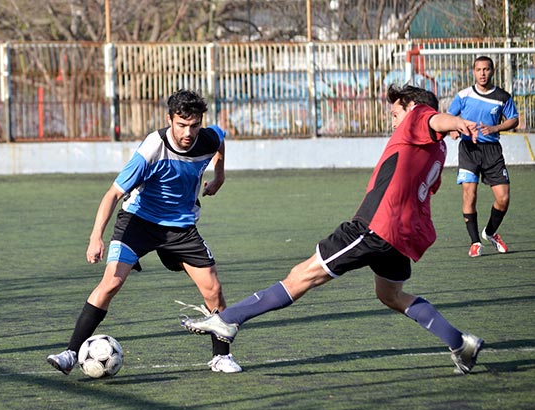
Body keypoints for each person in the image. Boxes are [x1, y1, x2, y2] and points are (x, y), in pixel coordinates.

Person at [181, 85, 484, 375]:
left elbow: (433, 118)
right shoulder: (438, 148)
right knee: (391, 295)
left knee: (302, 276)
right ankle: (461, 343)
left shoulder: (418, 119)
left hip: (375, 227)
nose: (393, 120)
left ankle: (229, 320)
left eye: (395, 113)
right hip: (400, 238)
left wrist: (457, 120)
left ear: (413, 108)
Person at [47, 89, 242, 374]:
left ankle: (221, 356)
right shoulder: (152, 148)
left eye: (194, 125)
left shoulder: (207, 138)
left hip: (182, 227)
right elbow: (113, 194)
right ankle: (69, 353)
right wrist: (95, 237)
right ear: (169, 119)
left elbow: (220, 139)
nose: (188, 132)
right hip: (138, 221)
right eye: (181, 124)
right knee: (111, 283)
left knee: (213, 289)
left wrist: (220, 176)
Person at [447, 55, 519, 257]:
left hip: (492, 152)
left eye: (486, 69)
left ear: (492, 71)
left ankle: (490, 232)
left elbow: (514, 119)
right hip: (469, 150)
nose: (482, 73)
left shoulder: (502, 97)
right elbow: (450, 118)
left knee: (503, 198)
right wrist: (453, 129)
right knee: (469, 194)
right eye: (479, 70)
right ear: (473, 72)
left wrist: (495, 127)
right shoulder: (463, 95)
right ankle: (475, 242)